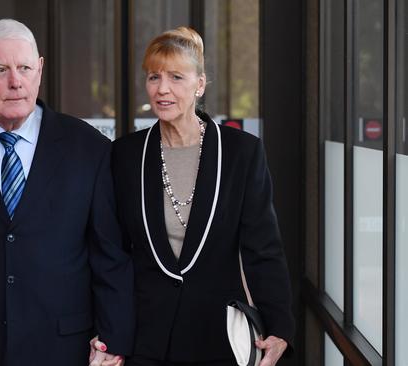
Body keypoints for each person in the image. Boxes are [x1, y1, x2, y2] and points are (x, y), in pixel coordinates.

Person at [0, 19, 134, 366]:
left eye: (25, 68)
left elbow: (108, 253)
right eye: (1, 70)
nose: (16, 82)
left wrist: (112, 337)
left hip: (62, 348)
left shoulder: (89, 148)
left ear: (40, 70)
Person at [97, 27, 295, 365]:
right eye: (154, 77)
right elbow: (112, 253)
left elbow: (262, 249)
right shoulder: (125, 155)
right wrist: (111, 333)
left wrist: (279, 327)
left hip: (217, 339)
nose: (162, 89)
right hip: (145, 340)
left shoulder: (240, 153)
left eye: (176, 77)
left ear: (199, 84)